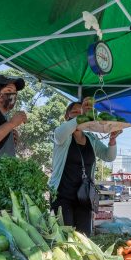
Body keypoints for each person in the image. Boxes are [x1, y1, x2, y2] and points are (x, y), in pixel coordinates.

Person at [49, 101, 119, 236]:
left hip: (84, 197)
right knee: (65, 238)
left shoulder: (91, 139)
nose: (79, 115)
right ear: (67, 116)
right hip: (62, 196)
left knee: (84, 237)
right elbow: (59, 134)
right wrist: (83, 116)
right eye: (75, 112)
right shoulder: (62, 136)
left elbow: (108, 156)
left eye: (82, 113)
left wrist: (112, 140)